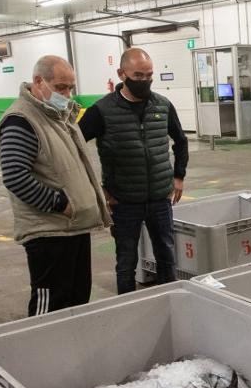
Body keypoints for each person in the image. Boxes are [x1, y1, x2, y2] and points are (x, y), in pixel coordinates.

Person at [0, 55, 111, 316]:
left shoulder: (57, 116)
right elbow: (15, 176)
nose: (67, 94)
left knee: (77, 299)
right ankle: (43, 344)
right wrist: (62, 204)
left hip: (74, 227)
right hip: (50, 232)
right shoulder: (21, 120)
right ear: (39, 81)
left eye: (70, 88)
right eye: (61, 87)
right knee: (50, 308)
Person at [78, 47, 189, 294]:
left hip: (160, 198)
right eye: (138, 76)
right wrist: (97, 189)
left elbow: (181, 141)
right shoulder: (102, 111)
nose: (144, 81)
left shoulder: (162, 105)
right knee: (126, 262)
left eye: (149, 75)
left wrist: (178, 176)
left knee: (167, 256)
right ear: (122, 74)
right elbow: (73, 149)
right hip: (124, 201)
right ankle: (127, 305)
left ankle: (170, 300)